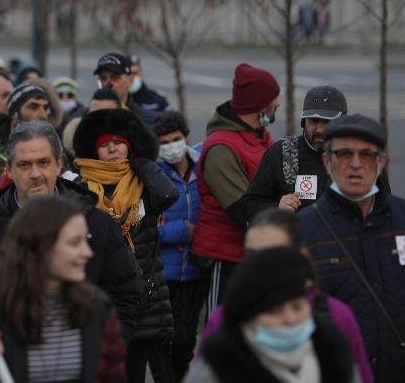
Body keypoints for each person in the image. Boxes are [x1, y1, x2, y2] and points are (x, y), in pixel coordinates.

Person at [0, 121, 145, 362]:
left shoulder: (96, 225)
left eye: (43, 163)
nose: (35, 174)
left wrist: (102, 353)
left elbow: (126, 294)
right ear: (9, 169)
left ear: (58, 164)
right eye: (24, 165)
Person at [297, 114, 405, 382]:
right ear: (327, 161)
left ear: (381, 162)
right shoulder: (301, 233)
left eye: (367, 155)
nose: (356, 165)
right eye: (344, 154)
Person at [0, 196, 127, 383]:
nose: (87, 252)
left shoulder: (97, 309)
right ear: (41, 246)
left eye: (85, 241)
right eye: (74, 242)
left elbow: (113, 377)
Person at [200, 209, 374, 383]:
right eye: (253, 255)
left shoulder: (338, 316)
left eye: (274, 254)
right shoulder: (224, 319)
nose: (259, 265)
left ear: (302, 256)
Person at [72, 109, 179, 383]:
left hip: (144, 294)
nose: (112, 149)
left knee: (134, 373)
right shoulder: (81, 185)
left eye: (118, 143)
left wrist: (143, 162)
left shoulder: (143, 183)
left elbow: (168, 195)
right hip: (99, 291)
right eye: (105, 145)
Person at [185, 247, 358, 383]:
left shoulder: (332, 353)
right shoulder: (219, 368)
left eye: (297, 307)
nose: (290, 319)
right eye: (274, 312)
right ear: (249, 317)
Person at [191, 63, 279, 312]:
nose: (278, 104)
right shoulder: (222, 148)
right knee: (222, 337)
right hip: (227, 258)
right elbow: (242, 210)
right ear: (260, 105)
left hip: (254, 256)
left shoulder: (259, 135)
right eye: (273, 98)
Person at [239, 85, 349, 217]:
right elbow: (249, 205)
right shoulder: (283, 152)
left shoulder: (355, 156)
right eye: (313, 121)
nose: (319, 129)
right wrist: (277, 208)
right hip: (295, 236)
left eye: (327, 122)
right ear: (304, 122)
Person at [151, 111, 204, 382]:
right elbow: (146, 226)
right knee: (162, 338)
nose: (172, 146)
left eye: (176, 139)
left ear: (185, 137)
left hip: (195, 272)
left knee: (185, 339)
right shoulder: (155, 176)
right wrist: (182, 230)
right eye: (165, 142)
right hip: (164, 274)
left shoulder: (203, 168)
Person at [93, 52, 161, 124]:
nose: (108, 84)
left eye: (115, 78)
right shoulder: (86, 117)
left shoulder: (149, 121)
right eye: (103, 78)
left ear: (130, 80)